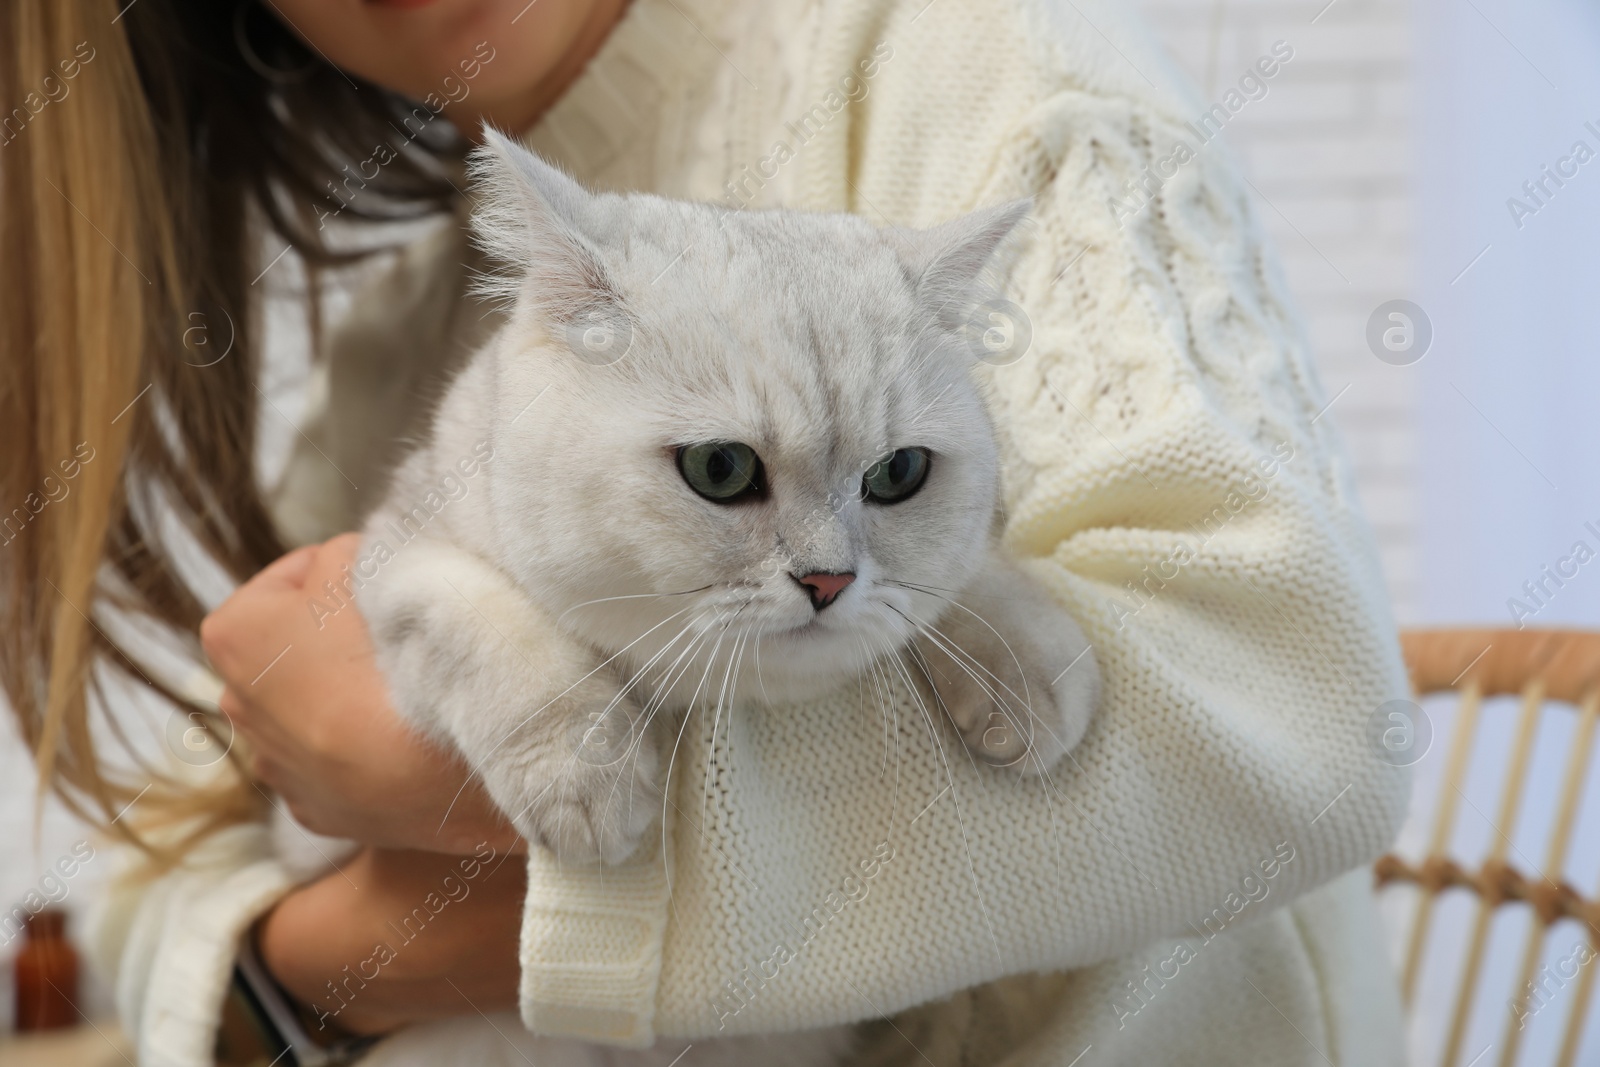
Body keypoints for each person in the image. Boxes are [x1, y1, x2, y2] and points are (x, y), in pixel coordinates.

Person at [1, 0, 1410, 1063]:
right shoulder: (431, 328)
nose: (818, 560)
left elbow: (1309, 722)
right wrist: (325, 958)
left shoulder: (978, 64)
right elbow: (152, 861)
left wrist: (530, 852)